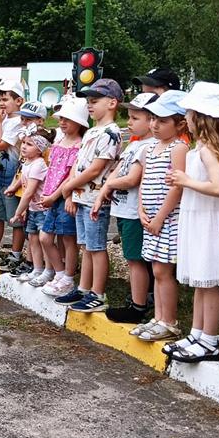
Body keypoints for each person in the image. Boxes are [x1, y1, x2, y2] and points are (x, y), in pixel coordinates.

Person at [163, 83, 219, 362]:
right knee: (201, 281)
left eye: (188, 113)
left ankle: (209, 339)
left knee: (209, 282)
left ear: (201, 116)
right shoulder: (203, 148)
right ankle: (197, 333)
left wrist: (186, 180)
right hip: (199, 217)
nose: (185, 118)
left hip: (209, 221)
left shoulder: (208, 150)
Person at [55, 78, 123, 313]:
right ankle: (84, 288)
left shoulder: (111, 132)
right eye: (89, 101)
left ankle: (98, 293)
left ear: (112, 103)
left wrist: (69, 186)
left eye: (95, 101)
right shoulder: (93, 131)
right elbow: (79, 163)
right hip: (82, 196)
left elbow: (96, 168)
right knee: (86, 245)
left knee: (96, 247)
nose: (90, 106)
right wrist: (72, 189)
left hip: (95, 199)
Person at [95, 93, 157, 324]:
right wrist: (106, 188)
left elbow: (132, 179)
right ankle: (138, 300)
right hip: (123, 209)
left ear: (152, 120)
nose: (129, 123)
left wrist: (109, 184)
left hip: (133, 211)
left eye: (134, 118)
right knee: (132, 258)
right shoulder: (136, 144)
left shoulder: (148, 147)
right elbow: (118, 169)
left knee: (135, 260)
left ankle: (138, 305)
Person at [132, 91, 189, 342]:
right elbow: (144, 181)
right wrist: (142, 210)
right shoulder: (150, 148)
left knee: (164, 271)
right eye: (153, 119)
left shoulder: (179, 148)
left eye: (162, 121)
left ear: (180, 124)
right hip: (150, 218)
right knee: (156, 269)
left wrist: (159, 218)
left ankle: (170, 321)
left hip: (168, 220)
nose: (154, 125)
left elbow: (177, 187)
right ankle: (158, 317)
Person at [39, 99, 88, 298]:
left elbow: (70, 176)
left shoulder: (78, 146)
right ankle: (59, 273)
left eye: (69, 119)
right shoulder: (58, 142)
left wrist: (56, 195)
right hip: (51, 196)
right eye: (62, 119)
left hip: (62, 195)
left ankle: (68, 277)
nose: (63, 122)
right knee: (46, 237)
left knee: (68, 238)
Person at [1, 99, 48, 275]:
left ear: (40, 120)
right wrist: (13, 185)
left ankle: (40, 265)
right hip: (26, 196)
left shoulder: (41, 146)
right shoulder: (27, 145)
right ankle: (32, 263)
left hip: (37, 197)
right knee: (31, 233)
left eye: (29, 119)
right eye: (23, 119)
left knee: (40, 234)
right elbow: (21, 170)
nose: (24, 123)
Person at [0, 78, 27, 266]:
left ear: (18, 100)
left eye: (5, 99)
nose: (1, 103)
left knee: (15, 217)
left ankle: (16, 254)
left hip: (14, 175)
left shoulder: (18, 121)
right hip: (3, 174)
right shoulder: (6, 119)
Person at [11, 132, 52, 286]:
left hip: (42, 209)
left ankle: (48, 270)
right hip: (33, 209)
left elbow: (29, 192)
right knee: (33, 239)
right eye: (24, 143)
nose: (24, 147)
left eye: (30, 144)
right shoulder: (27, 163)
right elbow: (23, 184)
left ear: (40, 149)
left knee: (44, 241)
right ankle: (37, 268)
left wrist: (18, 212)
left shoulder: (39, 165)